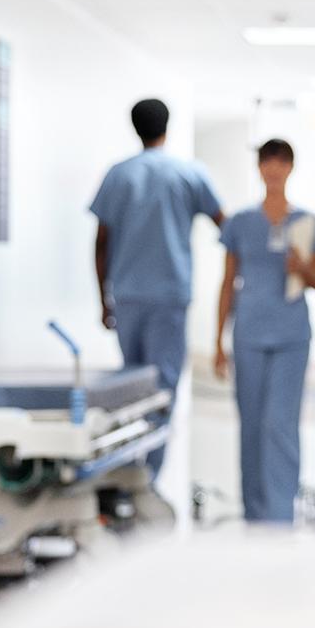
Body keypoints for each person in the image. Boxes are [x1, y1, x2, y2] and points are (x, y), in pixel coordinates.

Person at [90, 97, 224, 480]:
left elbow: (100, 243)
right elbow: (225, 224)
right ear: (168, 126)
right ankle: (149, 477)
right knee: (163, 388)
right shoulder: (188, 174)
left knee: (130, 387)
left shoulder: (118, 175)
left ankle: (130, 473)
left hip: (127, 296)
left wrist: (103, 300)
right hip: (169, 297)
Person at [214, 139, 315, 522]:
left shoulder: (308, 223)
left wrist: (302, 267)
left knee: (281, 423)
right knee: (251, 425)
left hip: (291, 336)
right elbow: (227, 283)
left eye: (281, 162)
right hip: (248, 335)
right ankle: (255, 511)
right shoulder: (240, 222)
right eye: (268, 162)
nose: (274, 169)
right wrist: (218, 341)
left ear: (291, 168)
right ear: (260, 168)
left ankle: (280, 513)